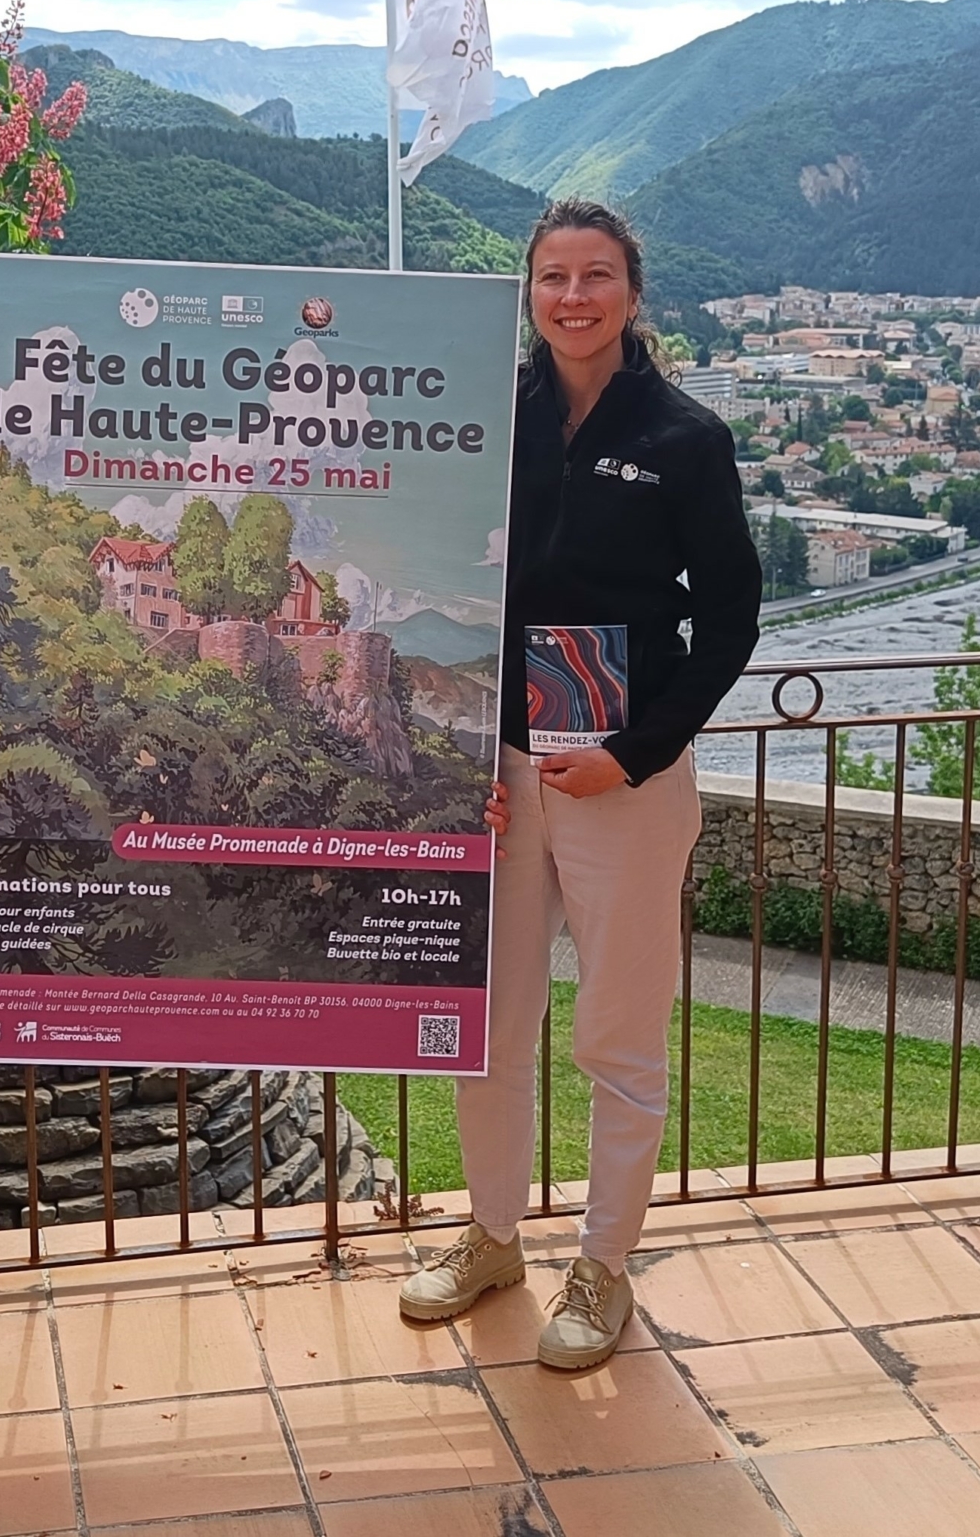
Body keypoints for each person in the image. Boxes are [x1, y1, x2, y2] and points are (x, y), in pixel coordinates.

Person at [399, 200, 761, 1368]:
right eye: (552, 276)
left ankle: (604, 1264)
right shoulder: (487, 419)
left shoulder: (683, 438)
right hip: (502, 774)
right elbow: (449, 577)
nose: (572, 296)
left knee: (618, 1033)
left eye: (594, 275)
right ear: (529, 291)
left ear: (631, 293)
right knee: (490, 1027)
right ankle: (492, 1236)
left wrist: (633, 752)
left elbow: (730, 622)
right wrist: (461, 755)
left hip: (623, 780)